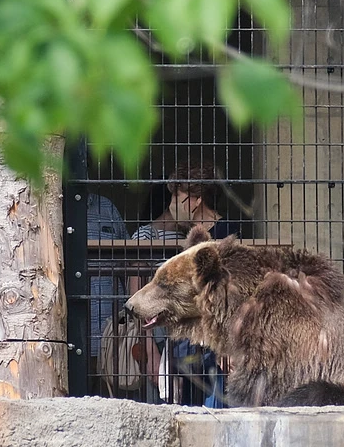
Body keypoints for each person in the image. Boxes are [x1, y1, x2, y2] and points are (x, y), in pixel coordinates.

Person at [130, 160, 239, 407]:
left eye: (175, 199)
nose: (170, 206)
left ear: (195, 200)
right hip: (191, 345)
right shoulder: (191, 238)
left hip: (215, 345)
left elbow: (232, 294)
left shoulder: (229, 235)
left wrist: (227, 343)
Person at [86, 191, 129, 393]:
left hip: (111, 328)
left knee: (111, 395)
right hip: (69, 328)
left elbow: (129, 261)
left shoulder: (107, 207)